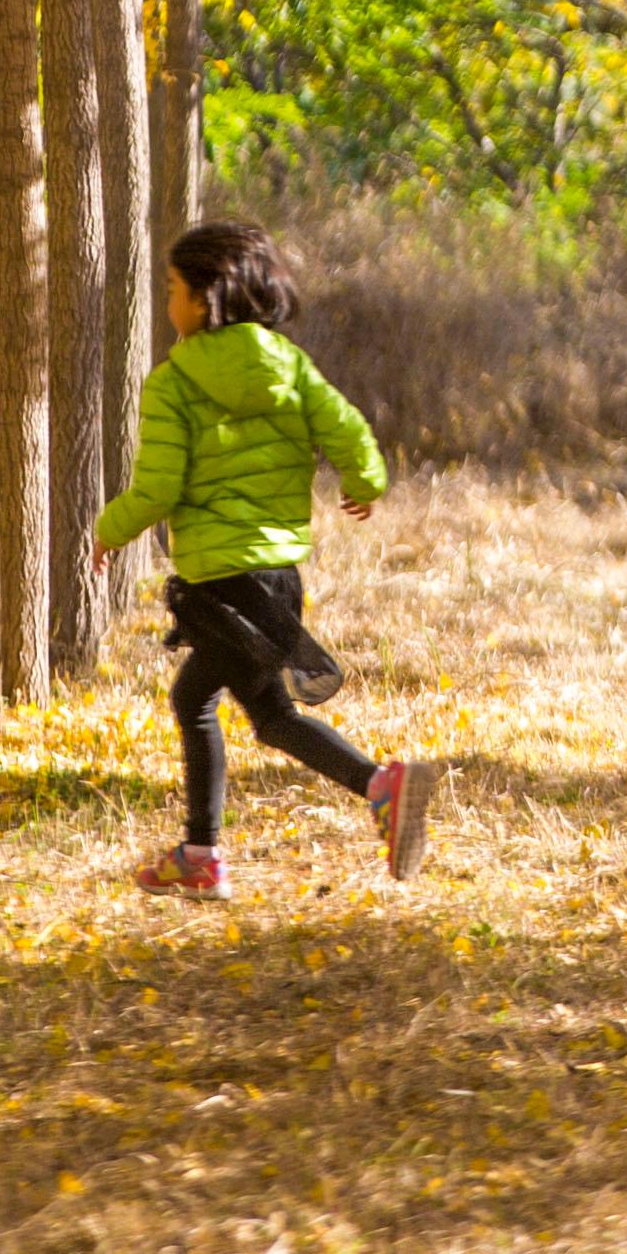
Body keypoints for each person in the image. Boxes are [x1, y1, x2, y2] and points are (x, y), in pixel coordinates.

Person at [98, 222, 440, 900]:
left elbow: (159, 488)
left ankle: (365, 791)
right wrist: (363, 482)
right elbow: (348, 429)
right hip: (276, 581)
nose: (168, 303)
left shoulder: (172, 384)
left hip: (220, 581)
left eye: (172, 289)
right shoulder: (290, 366)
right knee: (262, 713)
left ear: (204, 298)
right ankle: (212, 851)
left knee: (199, 699)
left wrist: (108, 531)